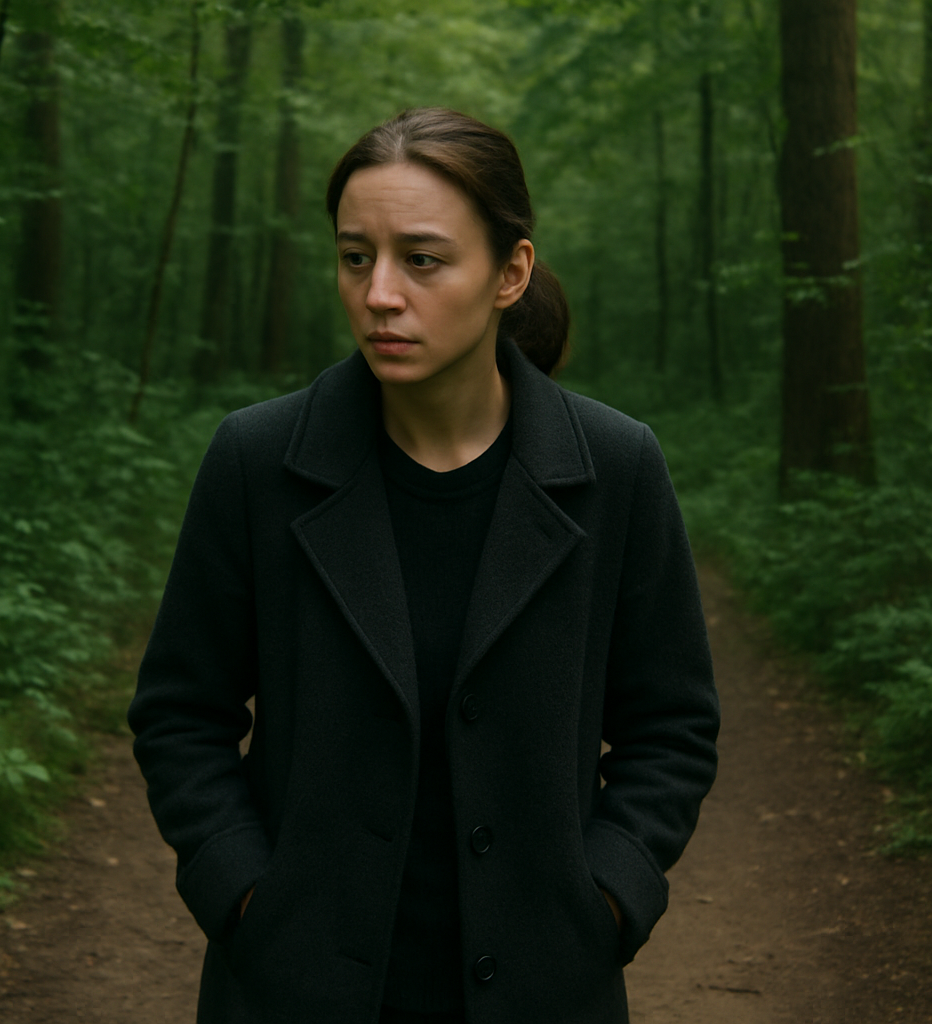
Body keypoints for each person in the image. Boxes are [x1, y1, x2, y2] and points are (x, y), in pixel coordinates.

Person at [128, 107, 719, 1024]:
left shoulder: (616, 467)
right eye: (356, 256)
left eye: (423, 259)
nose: (379, 294)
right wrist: (242, 893)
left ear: (509, 273)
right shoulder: (258, 461)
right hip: (296, 987)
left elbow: (672, 725)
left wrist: (608, 895)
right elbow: (179, 711)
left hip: (544, 989)